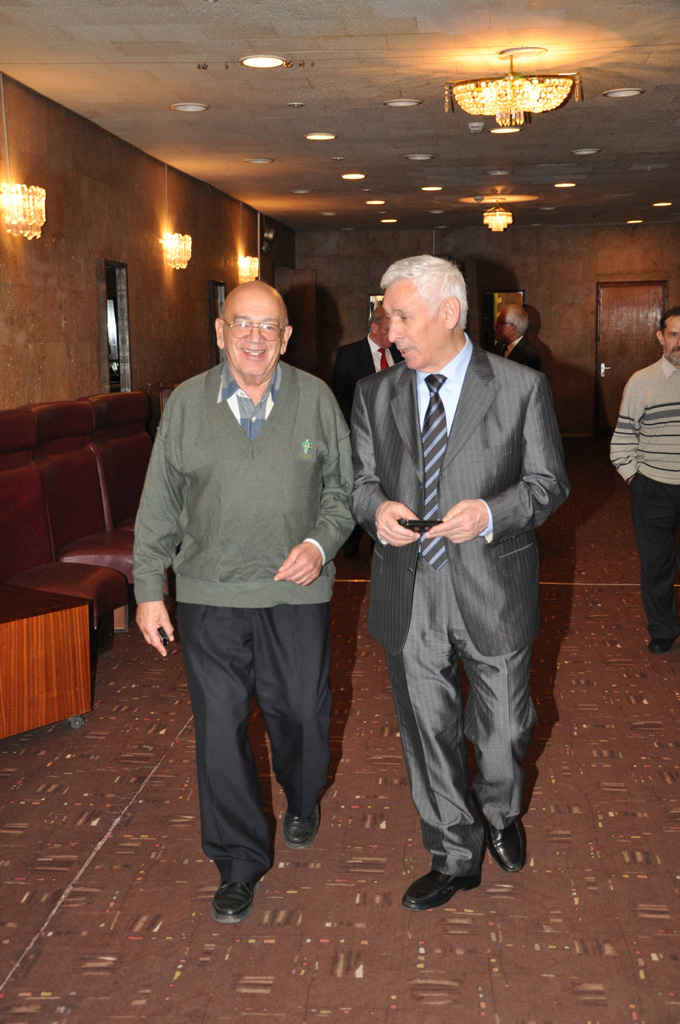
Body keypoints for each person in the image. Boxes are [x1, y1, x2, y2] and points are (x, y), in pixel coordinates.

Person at [349, 255, 569, 912]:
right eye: (387, 317)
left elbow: (549, 484)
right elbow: (359, 484)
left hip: (493, 586)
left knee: (504, 730)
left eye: (402, 316)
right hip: (409, 585)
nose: (390, 332)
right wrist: (376, 511)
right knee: (427, 730)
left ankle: (500, 810)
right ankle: (453, 851)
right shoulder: (375, 393)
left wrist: (490, 514)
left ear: (449, 312)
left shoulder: (520, 387)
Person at [133, 281, 354, 924]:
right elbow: (158, 507)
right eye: (241, 324)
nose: (254, 338)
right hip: (211, 594)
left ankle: (303, 796)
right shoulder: (186, 405)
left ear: (286, 337)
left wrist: (319, 543)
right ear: (220, 330)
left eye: (268, 327)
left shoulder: (316, 399)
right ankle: (237, 862)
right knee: (219, 728)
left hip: (296, 591)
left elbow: (343, 492)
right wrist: (148, 592)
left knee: (304, 716)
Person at [610, 306, 680, 654]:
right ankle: (663, 629)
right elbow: (621, 442)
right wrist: (636, 482)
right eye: (674, 334)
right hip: (653, 488)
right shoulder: (641, 382)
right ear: (660, 337)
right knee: (657, 565)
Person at [332, 304, 403, 557]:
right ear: (374, 327)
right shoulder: (349, 354)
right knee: (362, 487)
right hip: (362, 438)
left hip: (395, 440)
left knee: (389, 490)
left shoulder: (401, 353)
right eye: (388, 328)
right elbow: (340, 398)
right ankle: (352, 541)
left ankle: (380, 542)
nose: (393, 334)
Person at [492, 303, 542, 370]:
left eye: (500, 322)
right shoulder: (497, 349)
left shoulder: (529, 355)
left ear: (512, 328)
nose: (495, 325)